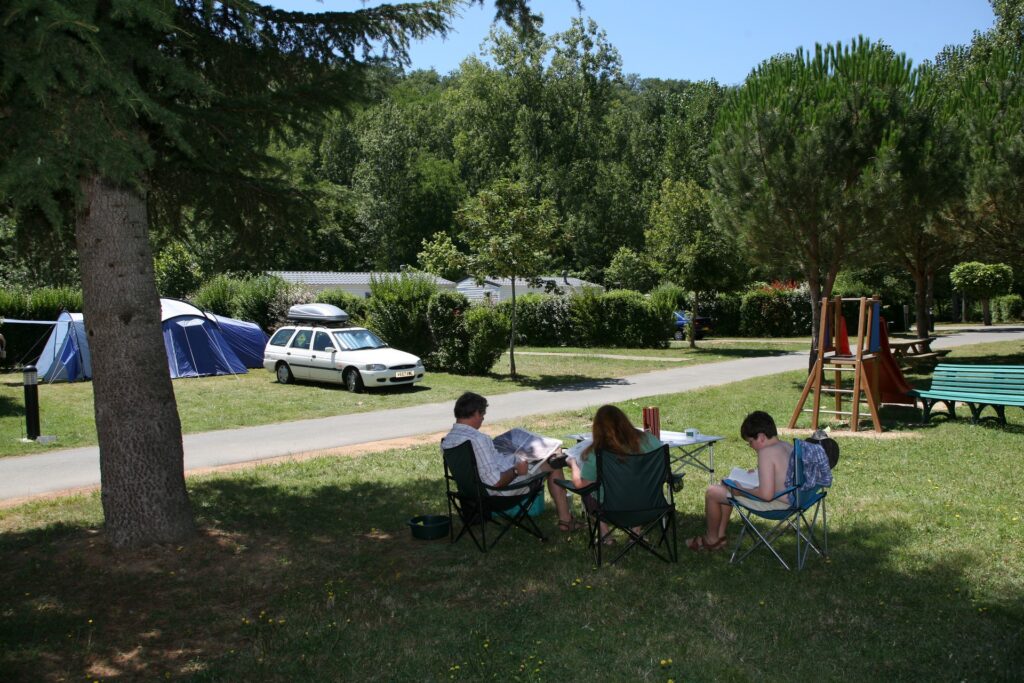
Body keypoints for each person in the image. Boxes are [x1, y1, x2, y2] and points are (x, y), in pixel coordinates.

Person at [441, 392, 580, 532]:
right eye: (482, 414)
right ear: (476, 413)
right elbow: (495, 482)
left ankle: (564, 518)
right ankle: (565, 521)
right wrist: (515, 470)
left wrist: (515, 460)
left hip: (470, 494)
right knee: (554, 464)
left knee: (540, 457)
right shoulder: (478, 439)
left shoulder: (448, 441)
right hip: (498, 494)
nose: (483, 418)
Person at [686, 410, 792, 552]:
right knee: (727, 486)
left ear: (761, 437)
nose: (751, 447)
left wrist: (740, 491)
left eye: (750, 442)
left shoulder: (766, 452)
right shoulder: (786, 446)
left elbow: (766, 496)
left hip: (775, 504)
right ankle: (720, 536)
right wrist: (757, 473)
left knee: (712, 492)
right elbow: (781, 474)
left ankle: (711, 539)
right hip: (792, 500)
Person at [567, 404, 663, 544]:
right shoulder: (650, 440)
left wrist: (573, 464)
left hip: (611, 510)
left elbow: (580, 485)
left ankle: (606, 536)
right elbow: (663, 474)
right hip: (649, 507)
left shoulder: (598, 453)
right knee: (639, 486)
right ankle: (635, 532)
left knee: (588, 491)